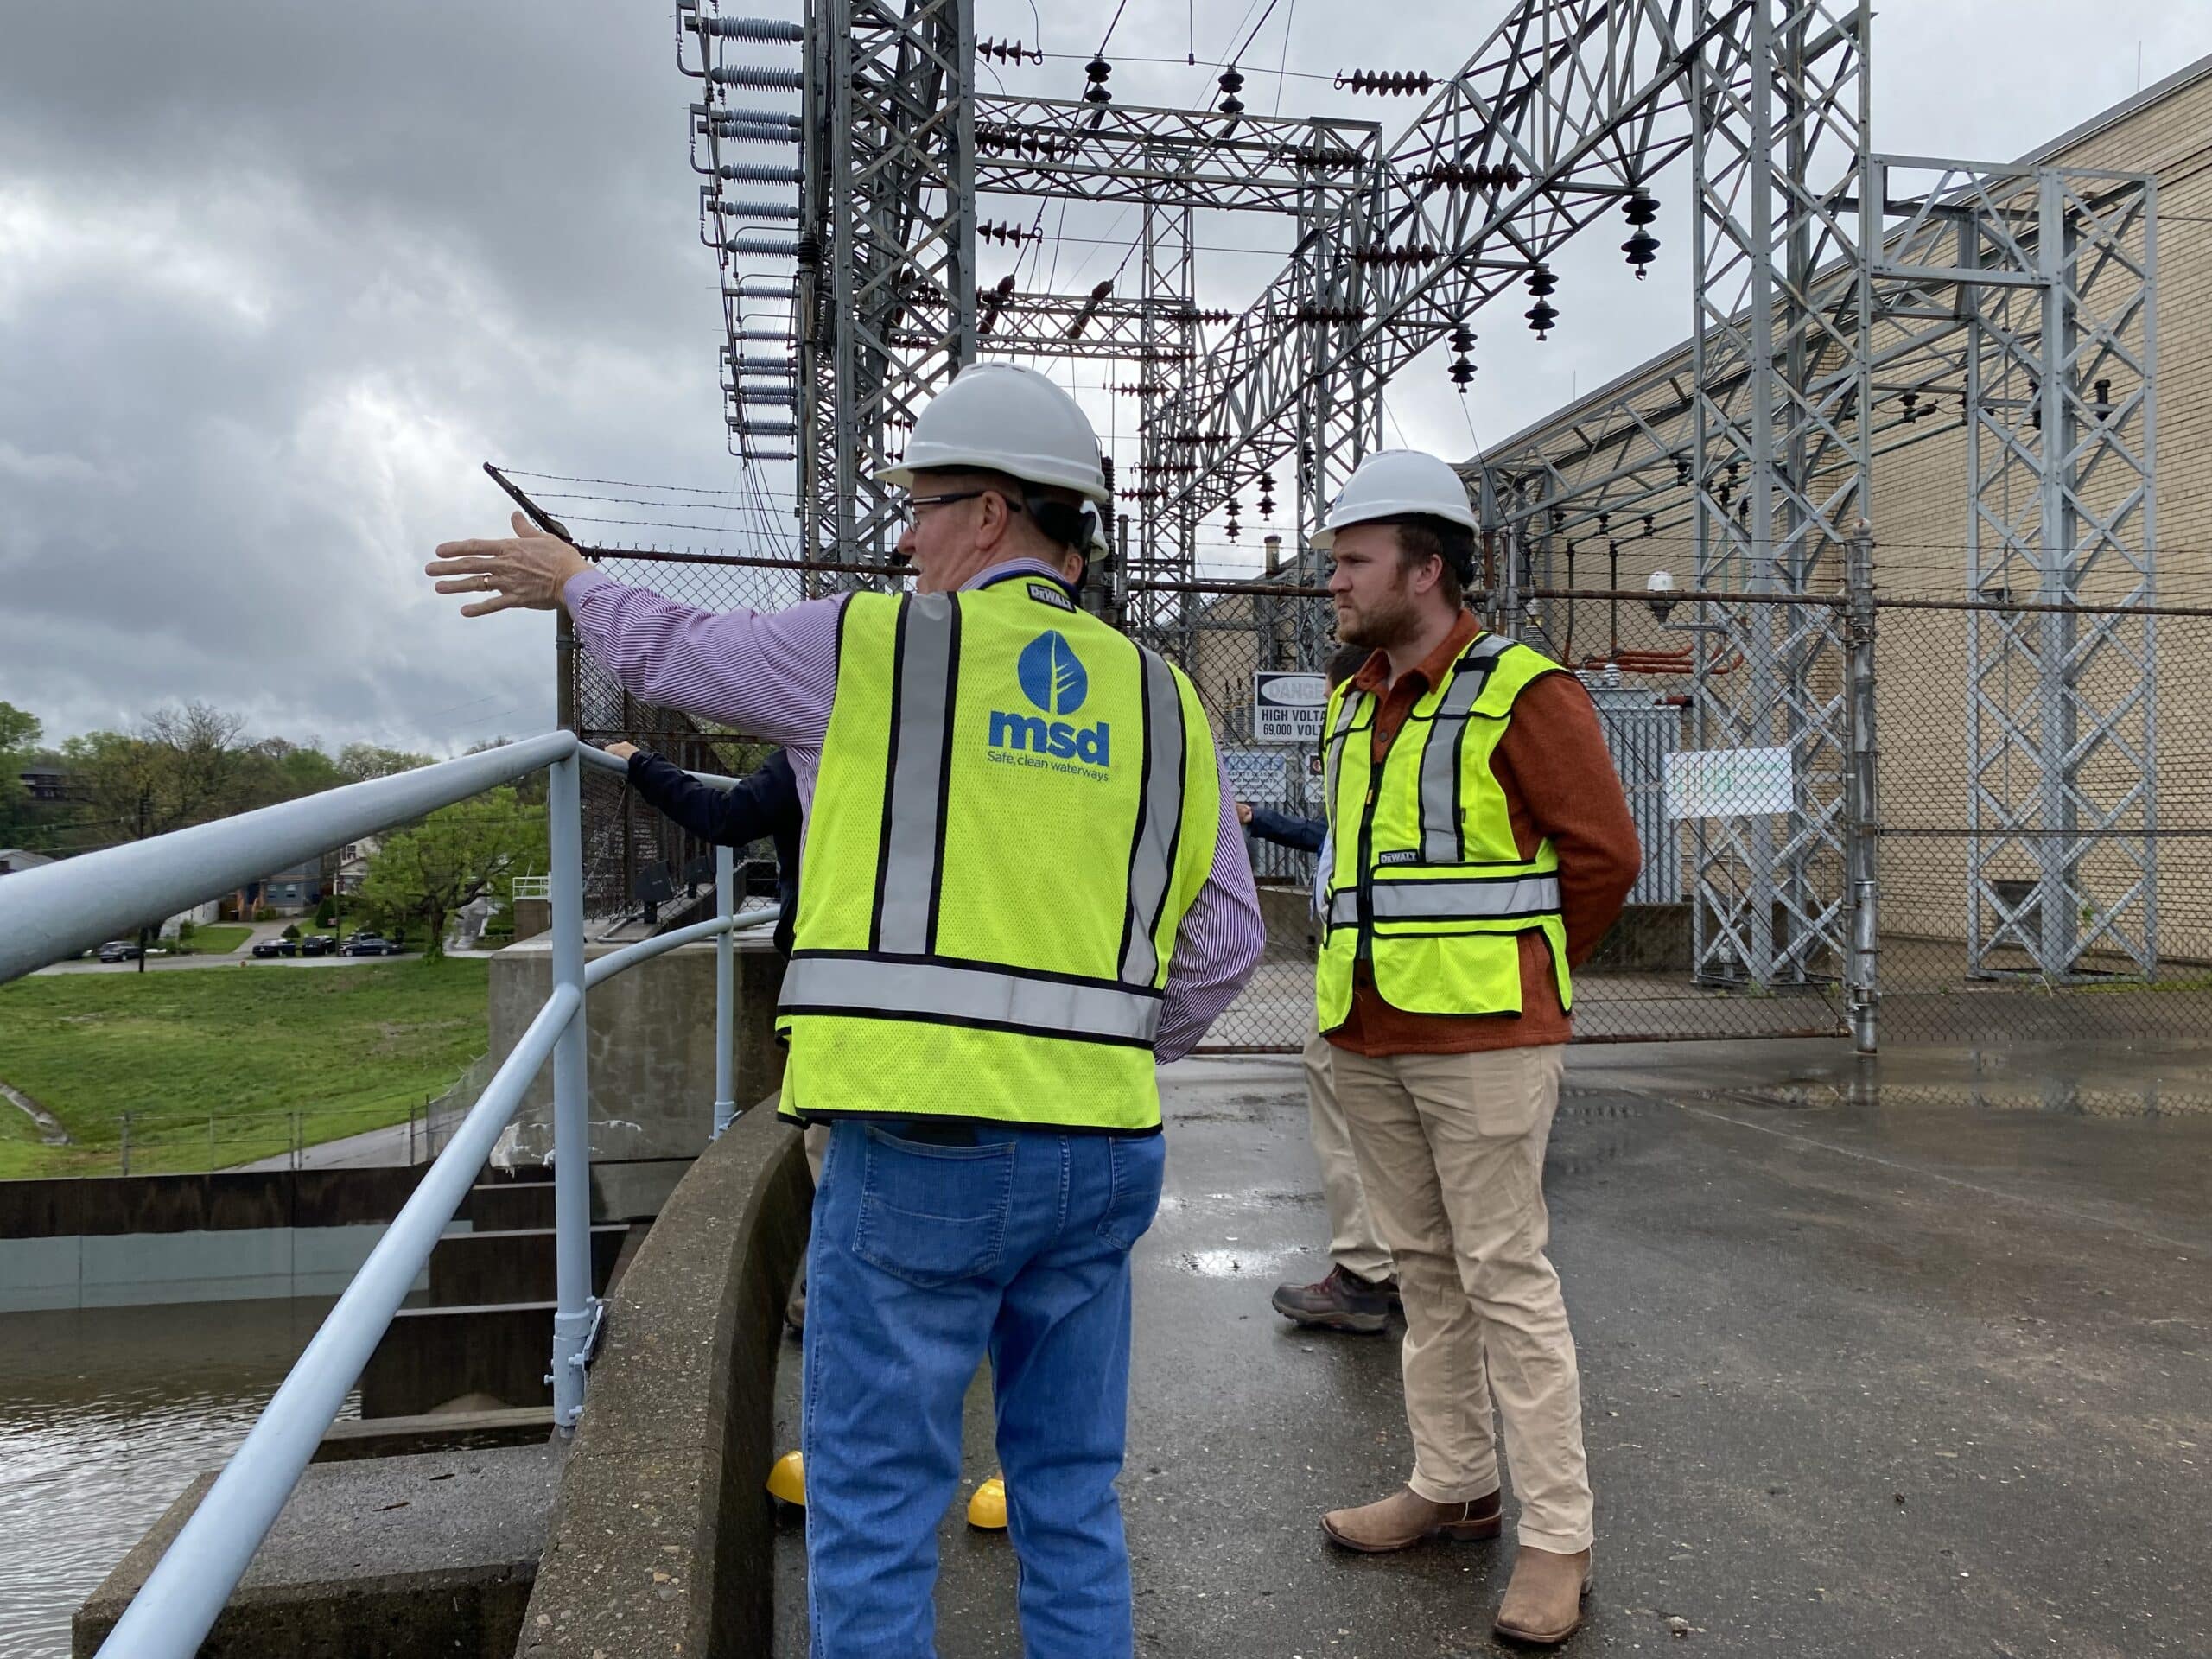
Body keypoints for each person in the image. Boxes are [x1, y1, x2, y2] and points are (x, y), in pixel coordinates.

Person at [425, 360, 1264, 1659]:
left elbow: (677, 651)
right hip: (1108, 1144)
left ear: (987, 513)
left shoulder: (867, 651)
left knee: (873, 1514)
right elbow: (1224, 939)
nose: (907, 542)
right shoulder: (1168, 700)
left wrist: (572, 581)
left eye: (920, 511)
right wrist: (1099, 1041)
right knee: (1068, 1496)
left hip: (921, 1150)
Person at [1308, 449, 1640, 1647]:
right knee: (1423, 1272)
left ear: (1427, 569)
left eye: (1352, 562)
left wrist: (1523, 978)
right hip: (1367, 1029)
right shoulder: (1355, 699)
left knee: (1507, 1279)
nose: (1332, 583)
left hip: (1486, 1039)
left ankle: (1559, 1537)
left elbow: (1602, 859)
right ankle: (1453, 1483)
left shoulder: (1522, 690)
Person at [1237, 644, 1401, 1334]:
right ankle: (1405, 1270)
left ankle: (1367, 1275)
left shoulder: (1373, 747)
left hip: (1368, 981)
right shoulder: (1397, 765)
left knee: (1351, 1123)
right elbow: (1326, 836)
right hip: (1397, 978)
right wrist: (1262, 820)